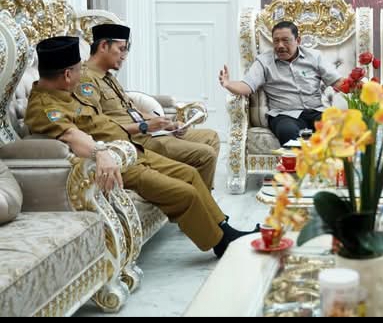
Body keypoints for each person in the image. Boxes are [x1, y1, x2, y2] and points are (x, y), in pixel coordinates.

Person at [25, 36, 257, 258]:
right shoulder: (44, 107)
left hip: (133, 148)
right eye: (78, 69)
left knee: (190, 174)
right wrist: (100, 152)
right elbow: (72, 134)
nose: (81, 73)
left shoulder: (66, 91)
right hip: (118, 162)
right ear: (67, 74)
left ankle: (224, 228)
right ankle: (221, 243)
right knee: (184, 193)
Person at [80, 24, 220, 190]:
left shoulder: (108, 76)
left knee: (211, 137)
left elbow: (132, 110)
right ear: (104, 46)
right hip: (135, 140)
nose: (124, 56)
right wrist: (145, 126)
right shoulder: (86, 80)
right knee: (206, 155)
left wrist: (166, 123)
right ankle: (196, 198)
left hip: (148, 131)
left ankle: (199, 194)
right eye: (121, 49)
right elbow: (96, 128)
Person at [219, 21, 342, 145]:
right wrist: (228, 84)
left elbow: (337, 82)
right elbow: (247, 86)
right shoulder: (264, 62)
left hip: (316, 112)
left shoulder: (314, 57)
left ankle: (328, 157)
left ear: (298, 40)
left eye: (285, 40)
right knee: (287, 131)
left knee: (338, 126)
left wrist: (353, 84)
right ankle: (299, 158)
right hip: (284, 115)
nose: (280, 45)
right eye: (276, 41)